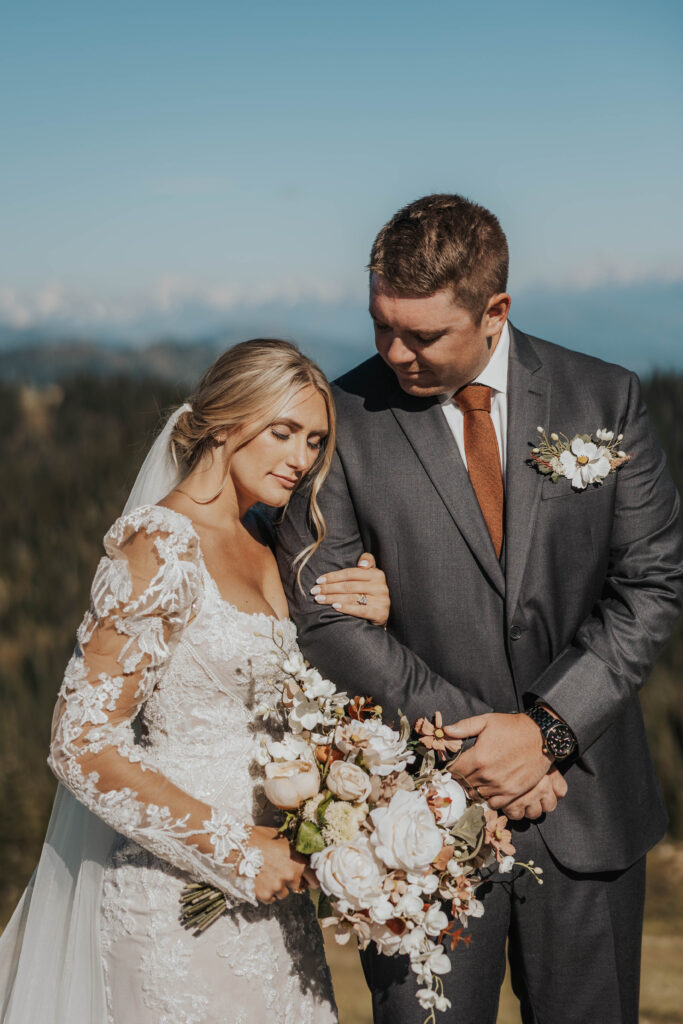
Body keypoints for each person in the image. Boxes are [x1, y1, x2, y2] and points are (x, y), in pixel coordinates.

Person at [276, 194, 683, 1024]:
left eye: (420, 335)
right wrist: (483, 745)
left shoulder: (605, 400)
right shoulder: (337, 421)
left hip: (586, 809)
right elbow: (325, 616)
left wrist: (544, 733)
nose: (392, 352)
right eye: (379, 324)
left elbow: (651, 583)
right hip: (413, 820)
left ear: (494, 311)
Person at [0, 338, 391, 1024]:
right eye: (283, 432)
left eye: (314, 440)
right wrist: (236, 851)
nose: (301, 459)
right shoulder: (161, 544)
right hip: (177, 903)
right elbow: (81, 741)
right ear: (224, 423)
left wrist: (370, 609)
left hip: (279, 902)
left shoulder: (270, 540)